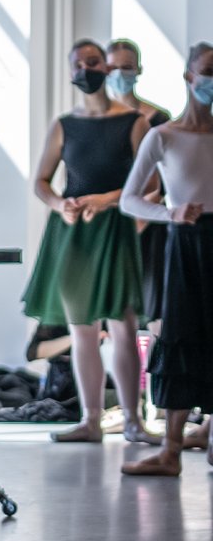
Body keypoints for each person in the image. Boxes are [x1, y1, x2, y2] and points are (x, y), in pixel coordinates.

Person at [21, 38, 151, 443]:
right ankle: (91, 419)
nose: (85, 69)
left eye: (92, 62)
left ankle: (133, 421)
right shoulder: (65, 124)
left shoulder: (134, 122)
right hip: (73, 232)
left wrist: (106, 200)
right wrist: (61, 205)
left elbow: (151, 186)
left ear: (107, 67)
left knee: (123, 326)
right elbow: (41, 182)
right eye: (77, 64)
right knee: (82, 330)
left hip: (114, 230)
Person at [120, 42, 213, 476]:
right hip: (184, 242)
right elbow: (129, 200)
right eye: (208, 71)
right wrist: (170, 213)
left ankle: (207, 439)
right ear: (189, 77)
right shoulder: (164, 135)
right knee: (177, 335)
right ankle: (171, 451)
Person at [106, 38, 171, 337]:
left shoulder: (157, 120)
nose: (121, 74)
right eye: (115, 67)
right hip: (109, 224)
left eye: (127, 67)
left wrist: (140, 218)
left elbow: (161, 180)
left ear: (139, 70)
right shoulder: (98, 122)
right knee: (116, 311)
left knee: (153, 305)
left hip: (146, 223)